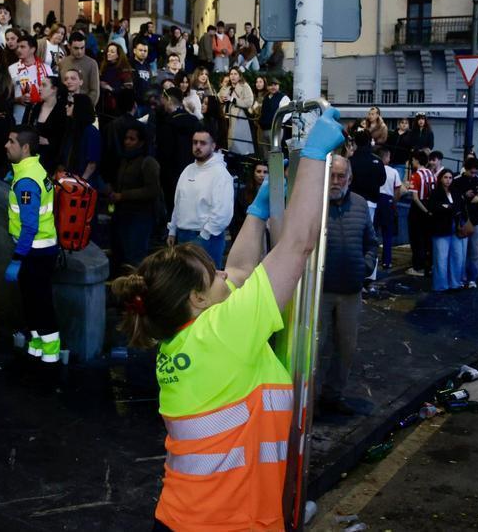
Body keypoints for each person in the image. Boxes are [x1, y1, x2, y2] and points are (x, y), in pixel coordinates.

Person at [112, 107, 344, 531]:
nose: (224, 273)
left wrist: (255, 215)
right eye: (212, 273)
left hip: (187, 518)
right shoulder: (222, 335)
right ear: (198, 300)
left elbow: (239, 271)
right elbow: (297, 246)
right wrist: (314, 158)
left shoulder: (189, 338)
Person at [317, 154, 379, 417]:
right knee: (315, 349)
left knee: (346, 348)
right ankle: (308, 402)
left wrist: (364, 268)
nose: (335, 181)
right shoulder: (315, 206)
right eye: (331, 175)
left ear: (350, 178)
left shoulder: (361, 204)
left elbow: (371, 243)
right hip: (320, 292)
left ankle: (333, 395)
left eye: (341, 176)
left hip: (351, 291)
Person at [4, 127, 62, 365]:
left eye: (11, 142)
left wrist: (17, 258)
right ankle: (38, 354)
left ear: (25, 148)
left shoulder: (27, 179)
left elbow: (30, 225)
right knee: (35, 305)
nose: (6, 145)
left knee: (39, 306)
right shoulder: (34, 170)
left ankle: (49, 362)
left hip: (34, 251)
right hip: (41, 249)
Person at [167, 129, 234, 268]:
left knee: (207, 286)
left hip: (207, 238)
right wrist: (172, 231)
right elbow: (178, 203)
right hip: (183, 235)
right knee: (185, 284)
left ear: (213, 146)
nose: (198, 146)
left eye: (203, 143)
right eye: (195, 142)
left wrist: (204, 236)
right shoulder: (188, 170)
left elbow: (223, 212)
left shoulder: (221, 174)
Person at [109, 126, 162, 270]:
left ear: (141, 142)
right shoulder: (125, 160)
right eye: (126, 138)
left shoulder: (148, 162)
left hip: (140, 218)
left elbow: (152, 190)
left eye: (132, 139)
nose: (127, 142)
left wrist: (123, 196)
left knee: (135, 258)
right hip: (123, 216)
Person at [157, 88, 203, 215]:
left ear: (169, 100)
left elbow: (164, 153)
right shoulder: (194, 121)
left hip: (172, 174)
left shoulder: (167, 124)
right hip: (193, 171)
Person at [427, 168, 466, 292]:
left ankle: (455, 283)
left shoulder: (455, 192)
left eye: (450, 178)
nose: (448, 180)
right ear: (441, 178)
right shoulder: (435, 192)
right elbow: (434, 207)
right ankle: (441, 286)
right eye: (445, 177)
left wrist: (447, 207)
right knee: (441, 258)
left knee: (457, 256)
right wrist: (448, 207)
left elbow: (458, 207)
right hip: (441, 228)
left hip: (455, 227)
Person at [453, 158, 478, 288]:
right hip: (463, 220)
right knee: (461, 252)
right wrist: (464, 196)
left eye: (476, 172)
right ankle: (461, 277)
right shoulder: (457, 181)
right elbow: (453, 200)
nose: (474, 174)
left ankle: (473, 278)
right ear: (466, 169)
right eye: (471, 172)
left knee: (477, 251)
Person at [8, 34, 53, 124]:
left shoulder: (46, 68)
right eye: (18, 47)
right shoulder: (11, 68)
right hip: (19, 117)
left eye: (22, 47)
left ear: (33, 49)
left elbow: (53, 92)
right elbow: (6, 96)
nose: (19, 50)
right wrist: (18, 99)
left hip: (41, 116)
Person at [58, 93, 101, 184]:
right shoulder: (71, 129)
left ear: (80, 107)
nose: (66, 106)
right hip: (69, 180)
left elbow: (92, 164)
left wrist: (81, 182)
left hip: (83, 185)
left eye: (70, 104)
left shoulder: (91, 131)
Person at [406, 150, 436, 277]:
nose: (412, 162)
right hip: (430, 205)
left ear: (417, 160)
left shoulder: (416, 175)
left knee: (416, 238)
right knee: (427, 238)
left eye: (413, 160)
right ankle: (429, 265)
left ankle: (418, 267)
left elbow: (415, 197)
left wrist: (424, 210)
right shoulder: (431, 174)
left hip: (419, 209)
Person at [349, 129, 386, 223]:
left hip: (352, 202)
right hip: (371, 201)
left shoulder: (350, 161)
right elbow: (382, 181)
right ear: (370, 141)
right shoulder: (377, 161)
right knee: (368, 231)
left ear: (355, 142)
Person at [375, 147, 402, 270]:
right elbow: (397, 190)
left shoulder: (374, 168)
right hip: (388, 200)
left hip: (375, 199)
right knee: (387, 234)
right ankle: (386, 261)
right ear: (386, 157)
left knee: (373, 231)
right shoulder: (393, 172)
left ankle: (373, 258)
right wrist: (394, 203)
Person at [59, 31, 100, 107]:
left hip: (84, 107)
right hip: (65, 106)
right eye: (76, 48)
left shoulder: (92, 63)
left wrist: (86, 107)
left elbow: (95, 91)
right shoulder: (63, 62)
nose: (79, 51)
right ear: (69, 46)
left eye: (82, 48)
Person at [221, 68, 255, 155]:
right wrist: (222, 98)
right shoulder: (227, 87)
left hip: (239, 117)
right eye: (231, 74)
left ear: (239, 76)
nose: (233, 76)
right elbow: (219, 96)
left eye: (235, 74)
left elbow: (249, 102)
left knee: (238, 143)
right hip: (226, 117)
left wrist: (232, 99)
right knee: (227, 141)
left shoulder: (245, 86)